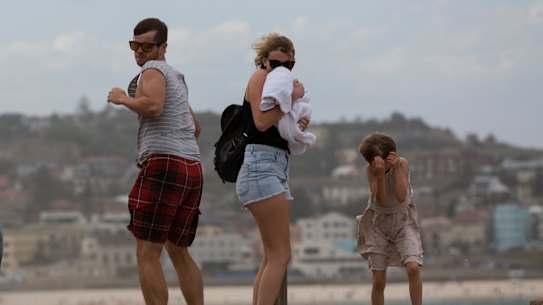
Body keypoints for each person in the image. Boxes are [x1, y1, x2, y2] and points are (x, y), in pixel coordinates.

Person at [107, 18, 203, 305]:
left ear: (163, 47)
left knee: (147, 253)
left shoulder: (152, 70)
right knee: (178, 250)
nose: (140, 52)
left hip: (164, 164)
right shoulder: (176, 77)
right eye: (135, 45)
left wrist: (123, 98)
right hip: (192, 168)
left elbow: (152, 106)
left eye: (147, 46)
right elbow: (195, 128)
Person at [236, 33, 308, 305]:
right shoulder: (259, 79)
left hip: (276, 167)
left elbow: (278, 127)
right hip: (259, 167)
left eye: (287, 65)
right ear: (264, 60)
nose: (281, 69)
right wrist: (292, 97)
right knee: (280, 255)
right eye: (275, 63)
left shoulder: (278, 88)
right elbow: (261, 122)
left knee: (272, 255)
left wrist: (297, 127)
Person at [356, 132, 423, 305]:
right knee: (379, 279)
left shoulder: (402, 164)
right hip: (378, 222)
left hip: (403, 221)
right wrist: (379, 176)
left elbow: (401, 196)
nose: (380, 164)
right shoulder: (370, 171)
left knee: (413, 268)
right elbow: (382, 201)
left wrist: (395, 169)